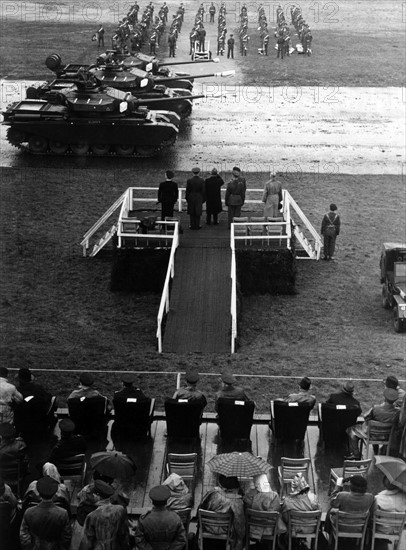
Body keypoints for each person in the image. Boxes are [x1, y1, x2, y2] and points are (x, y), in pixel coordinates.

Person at [346, 388, 400, 460]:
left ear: (385, 397)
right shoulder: (398, 412)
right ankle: (376, 452)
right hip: (387, 436)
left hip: (372, 435)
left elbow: (365, 417)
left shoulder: (375, 408)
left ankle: (356, 454)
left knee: (351, 430)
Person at [20, 477, 72, 550]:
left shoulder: (29, 512)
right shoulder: (63, 513)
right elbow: (66, 536)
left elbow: (23, 535)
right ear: (55, 492)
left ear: (38, 492)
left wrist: (29, 547)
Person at [79, 480, 131, 550]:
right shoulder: (120, 509)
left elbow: (87, 541)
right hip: (115, 545)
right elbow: (124, 532)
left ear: (96, 494)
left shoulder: (92, 515)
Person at [199, 475, 245, 550]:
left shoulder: (213, 492)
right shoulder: (237, 501)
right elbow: (239, 525)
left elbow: (200, 507)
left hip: (207, 528)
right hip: (224, 531)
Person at [134, 485, 186, 550]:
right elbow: (181, 539)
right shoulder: (175, 518)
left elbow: (139, 540)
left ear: (152, 501)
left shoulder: (144, 519)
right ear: (167, 501)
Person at [244, 474, 285, 540]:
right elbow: (276, 511)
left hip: (252, 529)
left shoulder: (249, 496)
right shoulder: (274, 496)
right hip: (270, 529)